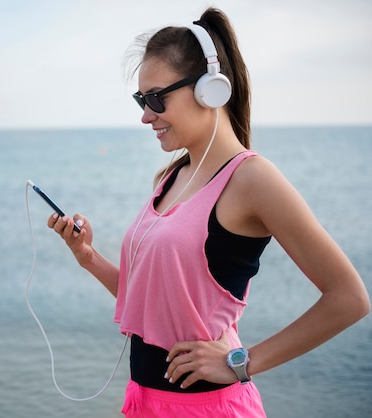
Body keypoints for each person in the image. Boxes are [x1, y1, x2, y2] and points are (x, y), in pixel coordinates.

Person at [47, 7, 369, 418]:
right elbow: (158, 302)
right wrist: (88, 258)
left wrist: (242, 363)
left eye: (155, 98)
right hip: (144, 403)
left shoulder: (253, 179)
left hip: (208, 409)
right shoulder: (169, 177)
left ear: (209, 90)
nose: (145, 115)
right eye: (140, 99)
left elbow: (350, 298)